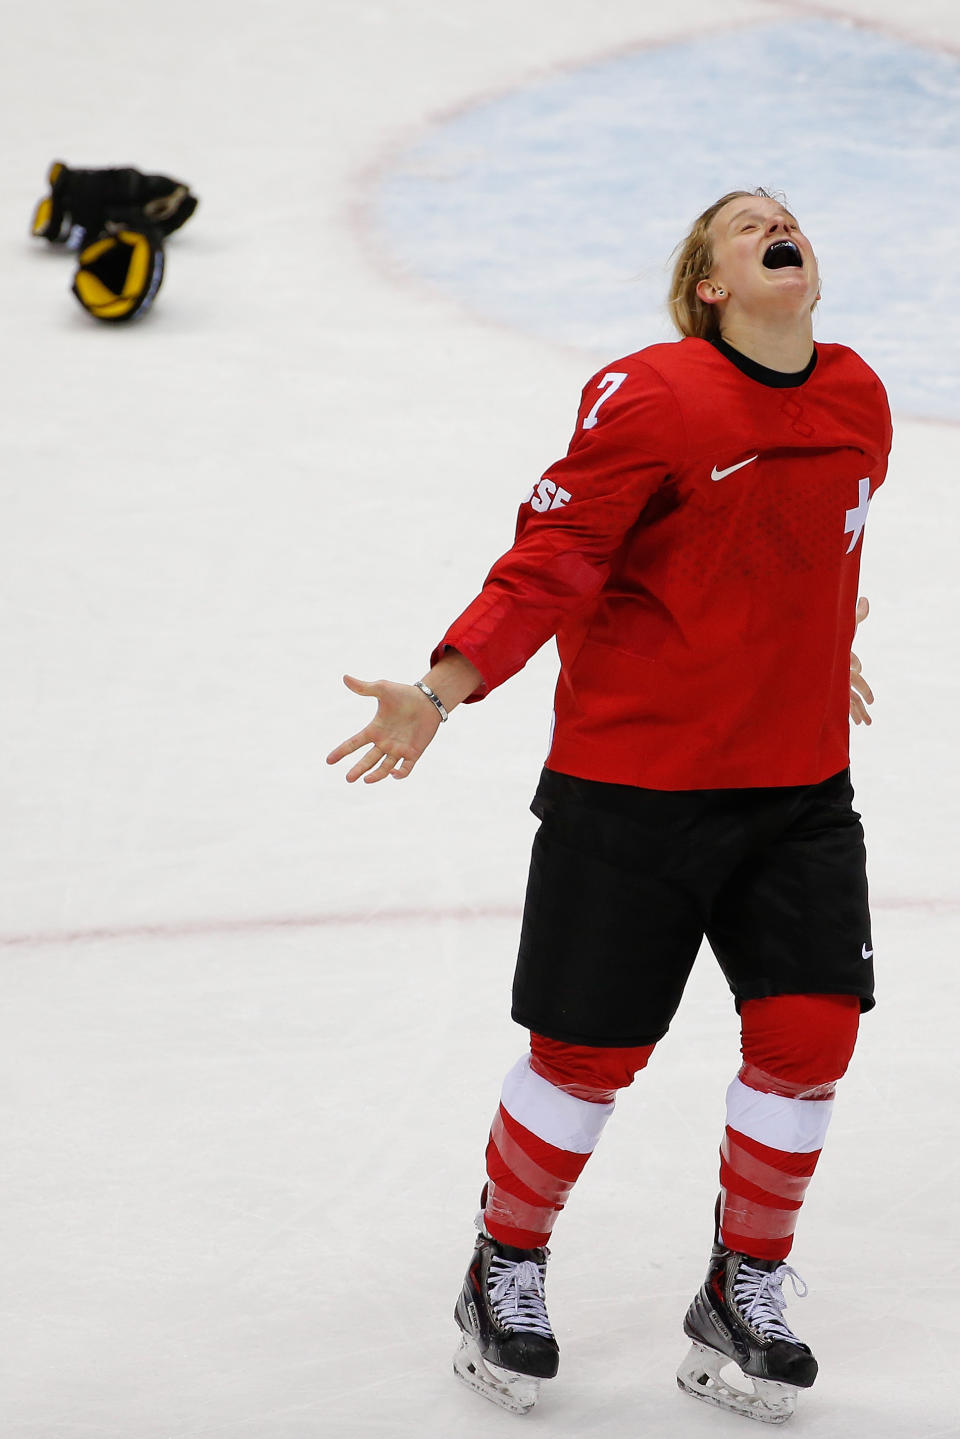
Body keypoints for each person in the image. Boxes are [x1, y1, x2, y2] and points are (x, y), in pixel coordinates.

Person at [327, 188, 891, 1424]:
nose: (775, 226)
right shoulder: (655, 395)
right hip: (634, 788)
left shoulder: (859, 397)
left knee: (809, 1043)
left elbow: (823, 544)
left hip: (797, 789)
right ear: (708, 285)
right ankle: (504, 1267)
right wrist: (443, 686)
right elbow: (556, 558)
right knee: (586, 1055)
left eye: (786, 215)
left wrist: (823, 632)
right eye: (745, 224)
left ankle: (743, 1284)